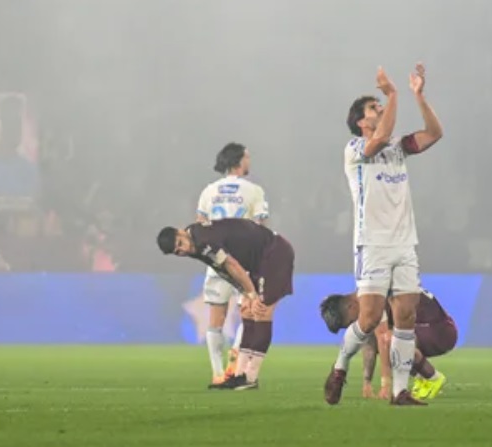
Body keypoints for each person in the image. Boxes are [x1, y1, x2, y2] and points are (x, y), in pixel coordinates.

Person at [324, 63, 444, 406]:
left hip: (405, 244)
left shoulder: (398, 147)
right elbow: (378, 138)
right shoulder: (355, 150)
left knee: (405, 316)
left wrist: (418, 96)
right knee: (370, 317)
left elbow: (434, 132)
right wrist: (392, 93)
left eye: (380, 105)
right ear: (362, 122)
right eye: (372, 108)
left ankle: (399, 391)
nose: (379, 110)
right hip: (372, 244)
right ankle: (340, 365)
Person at [157, 218, 294, 390]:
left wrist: (251, 293)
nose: (183, 250)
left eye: (180, 243)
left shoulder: (204, 240)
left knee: (261, 311)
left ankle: (250, 377)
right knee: (247, 312)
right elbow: (223, 270)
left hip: (274, 253)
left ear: (181, 231)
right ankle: (239, 375)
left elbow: (231, 264)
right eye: (178, 251)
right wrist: (245, 293)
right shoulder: (194, 240)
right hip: (258, 261)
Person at [195, 142, 269, 386]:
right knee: (247, 315)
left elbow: (199, 226)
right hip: (244, 262)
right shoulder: (254, 190)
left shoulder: (208, 191)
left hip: (216, 261)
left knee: (216, 319)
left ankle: (217, 375)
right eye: (247, 156)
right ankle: (234, 365)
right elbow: (260, 227)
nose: (250, 161)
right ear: (239, 160)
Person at [320, 288, 457, 400]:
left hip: (440, 331)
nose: (354, 325)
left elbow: (384, 339)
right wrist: (367, 383)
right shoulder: (366, 296)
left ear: (350, 307)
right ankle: (422, 379)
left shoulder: (371, 298)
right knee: (381, 339)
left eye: (350, 321)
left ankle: (433, 378)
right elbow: (369, 344)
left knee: (389, 340)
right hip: (424, 329)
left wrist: (385, 385)